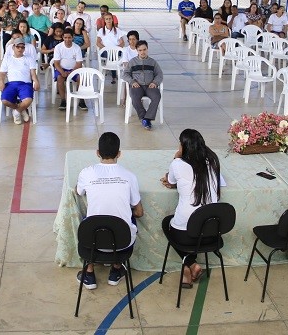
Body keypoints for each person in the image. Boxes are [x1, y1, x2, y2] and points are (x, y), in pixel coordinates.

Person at [74, 132, 144, 289]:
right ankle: (116, 270)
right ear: (119, 154)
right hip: (122, 243)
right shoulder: (130, 176)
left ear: (97, 153)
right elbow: (139, 212)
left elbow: (78, 192)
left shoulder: (86, 172)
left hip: (93, 242)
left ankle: (89, 272)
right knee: (125, 220)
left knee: (88, 220)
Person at [160, 129, 226, 288]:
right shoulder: (212, 162)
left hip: (186, 235)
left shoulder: (178, 163)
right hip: (212, 233)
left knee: (167, 222)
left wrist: (176, 158)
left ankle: (191, 264)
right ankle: (188, 268)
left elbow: (170, 180)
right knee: (197, 221)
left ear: (183, 147)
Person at [0, 39, 39, 124]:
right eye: (18, 47)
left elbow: (33, 74)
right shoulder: (7, 59)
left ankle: (16, 111)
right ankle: (21, 109)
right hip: (11, 84)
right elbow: (2, 73)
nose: (20, 49)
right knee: (5, 100)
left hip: (25, 84)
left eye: (22, 47)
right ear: (13, 47)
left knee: (28, 100)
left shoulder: (29, 59)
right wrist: (1, 82)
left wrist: (36, 82)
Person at [125, 40, 163, 130]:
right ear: (137, 51)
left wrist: (155, 82)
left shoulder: (153, 62)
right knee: (134, 97)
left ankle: (147, 118)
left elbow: (159, 74)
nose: (142, 52)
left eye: (144, 49)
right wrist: (132, 82)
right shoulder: (132, 62)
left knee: (157, 96)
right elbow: (125, 74)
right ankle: (143, 117)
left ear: (147, 49)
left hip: (150, 86)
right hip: (137, 86)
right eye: (140, 50)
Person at [54, 28, 85, 111]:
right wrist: (62, 72)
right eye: (65, 38)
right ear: (63, 37)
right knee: (60, 79)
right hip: (61, 69)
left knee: (81, 79)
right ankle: (63, 100)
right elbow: (56, 63)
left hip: (74, 69)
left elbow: (79, 63)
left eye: (69, 37)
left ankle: (81, 100)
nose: (67, 40)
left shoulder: (77, 47)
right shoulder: (58, 47)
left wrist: (71, 72)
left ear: (73, 37)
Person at [96, 13, 126, 84]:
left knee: (113, 55)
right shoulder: (101, 31)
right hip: (105, 51)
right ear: (104, 20)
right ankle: (114, 76)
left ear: (112, 19)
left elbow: (122, 43)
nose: (108, 20)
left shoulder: (117, 30)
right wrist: (106, 49)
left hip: (116, 51)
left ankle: (113, 75)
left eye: (110, 19)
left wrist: (115, 49)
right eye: (107, 19)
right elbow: (98, 42)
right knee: (111, 55)